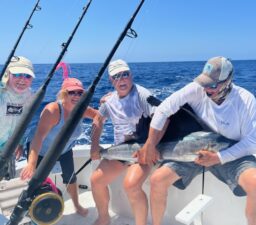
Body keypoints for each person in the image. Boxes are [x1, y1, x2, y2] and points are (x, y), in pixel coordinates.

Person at [138, 56, 256, 225]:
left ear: (228, 81)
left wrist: (219, 158)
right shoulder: (197, 89)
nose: (207, 89)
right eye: (204, 83)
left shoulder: (245, 100)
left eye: (213, 85)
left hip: (230, 152)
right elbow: (163, 110)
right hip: (194, 151)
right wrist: (150, 144)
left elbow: (254, 143)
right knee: (157, 180)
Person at [20, 77, 101, 217]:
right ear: (64, 94)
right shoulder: (53, 110)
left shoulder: (82, 109)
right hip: (41, 150)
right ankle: (30, 211)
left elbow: (99, 117)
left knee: (71, 178)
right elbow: (38, 137)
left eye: (80, 93)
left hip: (64, 149)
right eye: (72, 92)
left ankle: (76, 205)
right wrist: (31, 164)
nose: (76, 96)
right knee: (36, 182)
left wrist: (95, 144)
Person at [90, 59, 156, 225]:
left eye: (125, 74)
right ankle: (104, 218)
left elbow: (162, 118)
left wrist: (150, 146)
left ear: (131, 76)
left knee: (131, 185)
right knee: (95, 181)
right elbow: (98, 121)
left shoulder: (142, 95)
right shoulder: (109, 101)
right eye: (116, 76)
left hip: (142, 151)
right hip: (121, 152)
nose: (121, 79)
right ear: (111, 80)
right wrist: (94, 147)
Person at [0, 56, 35, 180]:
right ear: (7, 74)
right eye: (17, 74)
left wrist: (20, 143)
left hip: (9, 149)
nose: (22, 80)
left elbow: (23, 123)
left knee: (6, 180)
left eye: (27, 76)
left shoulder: (29, 96)